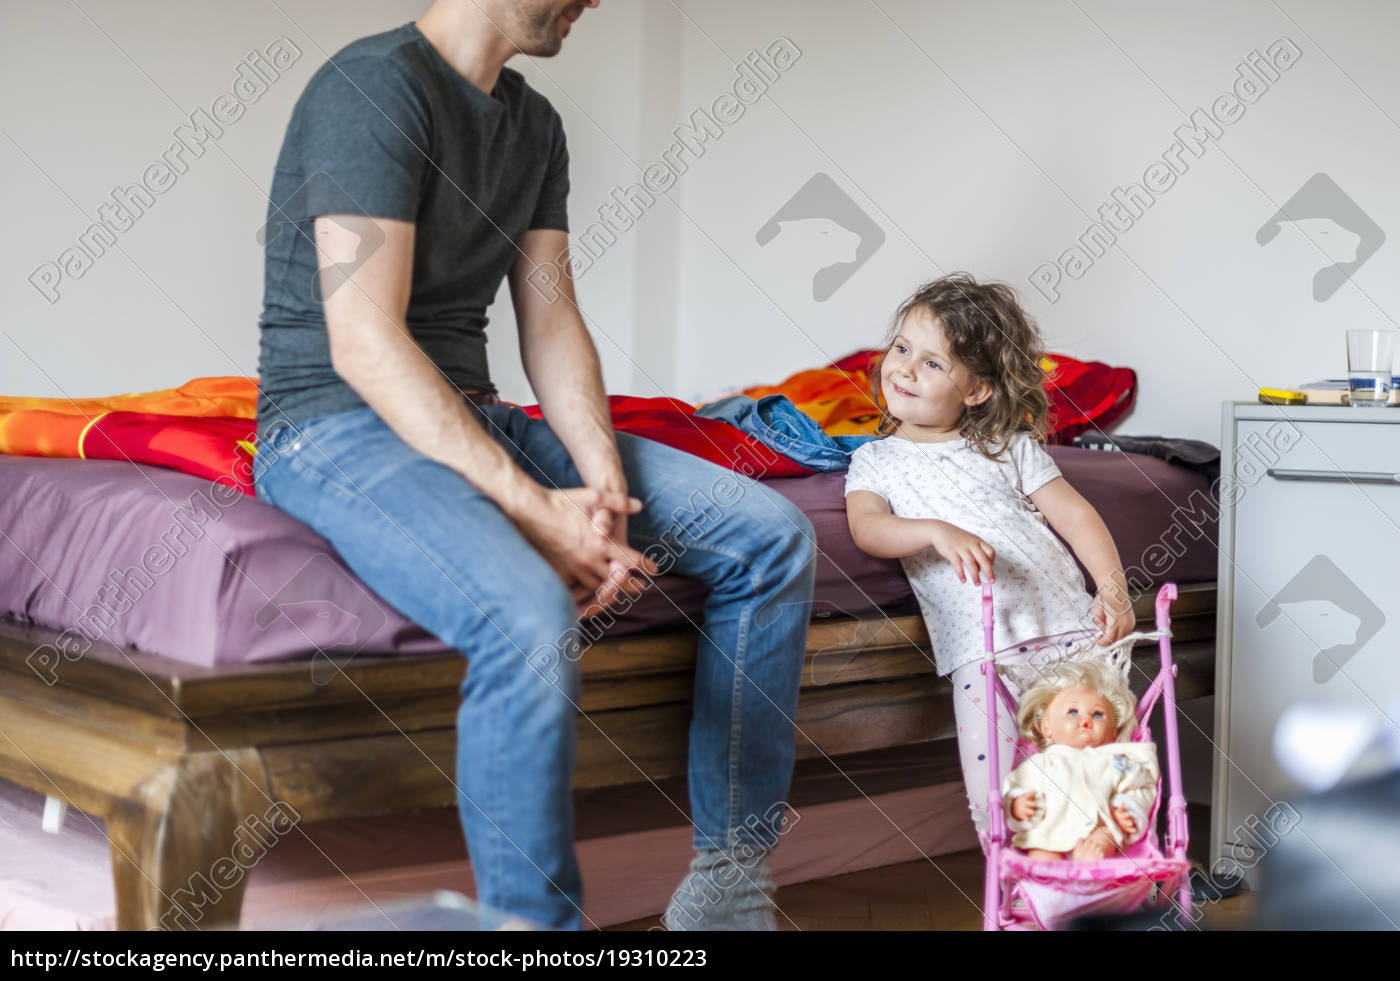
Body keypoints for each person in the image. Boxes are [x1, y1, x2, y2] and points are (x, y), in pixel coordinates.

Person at [253, 0, 815, 930]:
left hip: (476, 411)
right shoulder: (371, 88)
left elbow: (550, 320)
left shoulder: (534, 124)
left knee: (771, 537)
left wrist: (596, 485)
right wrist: (526, 507)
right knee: (525, 613)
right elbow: (362, 340)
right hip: (335, 423)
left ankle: (730, 886)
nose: (593, 2)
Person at [842, 272, 1135, 847]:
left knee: (1097, 781)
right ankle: (1019, 893)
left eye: (932, 364)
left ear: (976, 390)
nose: (902, 367)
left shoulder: (1008, 447)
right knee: (999, 795)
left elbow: (1076, 518)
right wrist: (932, 531)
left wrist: (1113, 588)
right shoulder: (875, 461)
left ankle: (1110, 888)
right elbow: (868, 529)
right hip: (981, 654)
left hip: (1070, 636)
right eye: (901, 348)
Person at [1003, 659, 1158, 861]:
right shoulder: (1041, 763)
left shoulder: (1114, 761)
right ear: (1046, 727)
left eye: (1098, 714)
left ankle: (1089, 867)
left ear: (1112, 734)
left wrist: (1126, 809)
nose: (1086, 719)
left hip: (1096, 829)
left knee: (1106, 836)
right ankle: (1050, 883)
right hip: (1050, 832)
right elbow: (1016, 786)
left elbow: (1140, 785)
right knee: (1039, 852)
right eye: (1073, 712)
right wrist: (1017, 806)